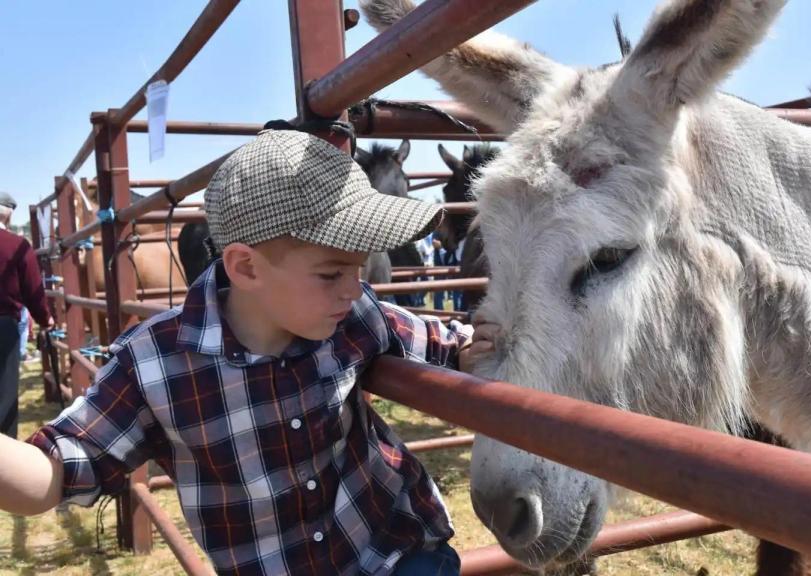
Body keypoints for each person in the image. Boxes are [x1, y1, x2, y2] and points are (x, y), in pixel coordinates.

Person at [0, 130, 496, 575]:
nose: (355, 288)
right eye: (331, 273)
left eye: (359, 268)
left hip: (395, 552)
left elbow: (435, 339)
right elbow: (58, 470)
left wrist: (474, 348)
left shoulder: (353, 312)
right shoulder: (156, 364)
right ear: (247, 268)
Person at [0, 191, 51, 438]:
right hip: (4, 327)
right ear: (8, 215)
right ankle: (7, 464)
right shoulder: (18, 245)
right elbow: (33, 290)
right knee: (5, 393)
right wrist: (45, 319)